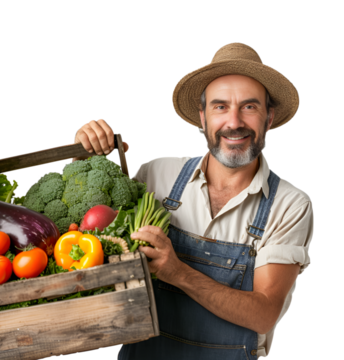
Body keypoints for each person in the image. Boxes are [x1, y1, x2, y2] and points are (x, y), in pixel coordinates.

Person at [73, 41, 313, 359]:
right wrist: (84, 157)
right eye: (220, 106)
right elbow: (89, 241)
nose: (234, 122)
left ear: (268, 117)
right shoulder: (156, 175)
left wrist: (178, 272)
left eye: (249, 106)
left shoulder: (289, 204)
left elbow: (264, 313)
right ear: (202, 116)